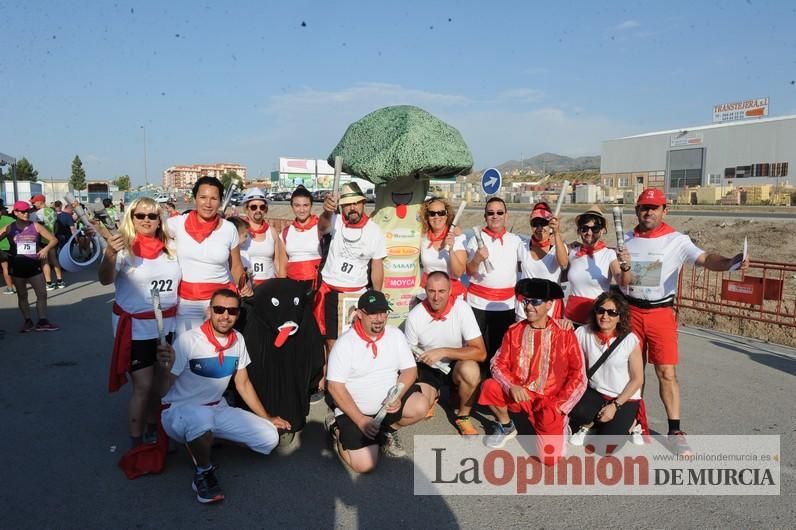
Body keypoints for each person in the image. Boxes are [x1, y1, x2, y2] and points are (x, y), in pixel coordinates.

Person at [620, 188, 748, 454]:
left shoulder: (677, 240)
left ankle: (675, 430)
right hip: (630, 311)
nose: (648, 212)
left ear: (664, 210)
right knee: (633, 373)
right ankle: (634, 422)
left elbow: (704, 259)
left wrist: (730, 262)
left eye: (654, 208)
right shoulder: (627, 238)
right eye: (644, 207)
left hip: (660, 314)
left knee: (666, 373)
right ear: (637, 210)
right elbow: (616, 273)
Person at [156, 289, 290, 503]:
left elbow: (243, 383)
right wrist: (164, 368)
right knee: (201, 419)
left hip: (217, 407)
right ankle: (203, 472)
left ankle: (204, 440)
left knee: (269, 438)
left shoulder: (238, 339)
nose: (225, 315)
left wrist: (267, 418)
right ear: (209, 311)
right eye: (219, 309)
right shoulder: (187, 341)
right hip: (178, 411)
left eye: (232, 311)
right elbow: (162, 392)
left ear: (238, 314)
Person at [98, 197, 181, 447]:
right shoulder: (123, 248)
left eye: (152, 216)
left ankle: (155, 427)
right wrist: (110, 253)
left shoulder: (172, 248)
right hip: (135, 329)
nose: (146, 220)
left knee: (162, 382)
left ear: (159, 220)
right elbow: (104, 279)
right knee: (143, 386)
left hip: (168, 326)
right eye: (140, 215)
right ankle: (136, 440)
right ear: (131, 218)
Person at [325, 290, 435, 473]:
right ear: (359, 314)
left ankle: (385, 431)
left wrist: (398, 395)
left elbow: (410, 370)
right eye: (373, 313)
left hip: (387, 406)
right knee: (365, 466)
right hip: (355, 411)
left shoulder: (395, 335)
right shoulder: (345, 344)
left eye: (383, 312)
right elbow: (334, 387)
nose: (379, 318)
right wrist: (360, 420)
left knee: (421, 405)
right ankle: (337, 430)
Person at [478, 278, 585, 464]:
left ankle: (560, 425)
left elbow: (579, 376)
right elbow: (497, 364)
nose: (528, 307)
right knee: (490, 386)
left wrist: (560, 406)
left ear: (549, 304)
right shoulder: (514, 331)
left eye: (535, 302)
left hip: (550, 402)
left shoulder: (565, 333)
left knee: (550, 459)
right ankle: (506, 425)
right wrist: (511, 386)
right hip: (522, 395)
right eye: (525, 301)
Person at [314, 182, 387, 390]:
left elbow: (377, 266)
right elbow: (321, 226)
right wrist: (327, 211)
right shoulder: (334, 221)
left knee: (357, 341)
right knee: (331, 343)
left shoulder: (374, 231)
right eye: (347, 204)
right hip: (331, 291)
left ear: (364, 203)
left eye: (356, 203)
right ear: (341, 207)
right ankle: (332, 384)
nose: (352, 208)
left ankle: (354, 382)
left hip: (357, 294)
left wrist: (377, 298)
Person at [166, 176, 252, 334]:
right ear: (194, 199)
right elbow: (147, 231)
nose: (208, 203)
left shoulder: (228, 229)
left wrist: (245, 287)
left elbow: (236, 266)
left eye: (214, 198)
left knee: (217, 352)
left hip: (221, 304)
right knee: (186, 351)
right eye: (203, 197)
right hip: (187, 304)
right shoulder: (177, 223)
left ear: (220, 201)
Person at [404, 271, 486, 436]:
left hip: (456, 362)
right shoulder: (414, 316)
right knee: (420, 407)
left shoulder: (462, 309)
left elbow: (481, 353)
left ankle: (463, 416)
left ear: (450, 291)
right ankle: (433, 396)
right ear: (425, 291)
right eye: (431, 291)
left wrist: (443, 351)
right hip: (428, 365)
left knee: (471, 370)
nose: (436, 297)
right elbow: (407, 358)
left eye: (441, 291)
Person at [568, 292, 644, 446]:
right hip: (595, 393)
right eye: (601, 310)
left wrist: (615, 406)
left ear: (620, 317)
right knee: (569, 406)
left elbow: (638, 379)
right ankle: (589, 425)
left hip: (623, 398)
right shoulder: (583, 332)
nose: (605, 316)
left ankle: (632, 423)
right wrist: (564, 325)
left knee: (606, 448)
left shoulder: (630, 340)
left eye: (612, 312)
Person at [465, 197, 523, 361]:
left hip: (506, 305)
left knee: (501, 353)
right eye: (490, 213)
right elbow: (469, 271)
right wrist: (477, 258)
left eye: (499, 212)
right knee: (478, 353)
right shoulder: (474, 240)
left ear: (506, 216)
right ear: (485, 217)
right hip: (478, 304)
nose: (495, 216)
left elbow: (530, 263)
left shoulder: (516, 241)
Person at [564, 206, 632, 325]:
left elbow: (622, 281)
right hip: (571, 319)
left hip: (596, 320)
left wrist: (625, 267)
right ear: (579, 230)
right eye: (584, 228)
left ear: (601, 231)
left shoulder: (609, 254)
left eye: (594, 229)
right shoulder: (572, 252)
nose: (589, 233)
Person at [0, 201, 60, 331]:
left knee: (42, 294)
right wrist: (2, 254)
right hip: (17, 266)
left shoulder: (36, 226)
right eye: (22, 211)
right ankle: (27, 321)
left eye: (27, 211)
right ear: (15, 212)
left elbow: (54, 239)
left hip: (33, 265)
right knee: (22, 295)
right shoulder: (10, 227)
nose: (26, 214)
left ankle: (42, 321)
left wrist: (45, 250)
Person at [516, 201, 568, 321]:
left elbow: (564, 263)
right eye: (535, 223)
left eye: (543, 223)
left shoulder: (558, 247)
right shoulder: (522, 246)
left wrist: (556, 233)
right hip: (525, 309)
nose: (539, 228)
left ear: (550, 224)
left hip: (549, 308)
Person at [418, 197, 467, 300]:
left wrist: (451, 250)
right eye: (432, 213)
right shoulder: (422, 238)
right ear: (427, 217)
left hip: (452, 295)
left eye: (441, 213)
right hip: (427, 295)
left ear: (447, 215)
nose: (436, 216)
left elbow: (459, 272)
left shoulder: (457, 237)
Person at [277, 185, 322, 289]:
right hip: (292, 286)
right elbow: (282, 267)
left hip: (317, 286)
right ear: (292, 206)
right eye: (297, 205)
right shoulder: (285, 233)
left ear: (311, 206)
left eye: (305, 205)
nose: (302, 210)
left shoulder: (320, 228)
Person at [239, 187, 282, 285]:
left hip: (270, 284)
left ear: (265, 209)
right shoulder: (239, 231)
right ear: (246, 209)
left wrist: (281, 283)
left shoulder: (272, 232)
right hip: (247, 286)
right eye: (253, 207)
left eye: (262, 207)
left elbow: (277, 261)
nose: (258, 210)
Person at [30, 194, 65, 290]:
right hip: (52, 239)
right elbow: (55, 226)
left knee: (44, 262)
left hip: (42, 240)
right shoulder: (53, 212)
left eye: (34, 202)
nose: (33, 204)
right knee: (54, 260)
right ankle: (60, 281)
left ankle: (49, 283)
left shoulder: (36, 214)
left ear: (40, 202)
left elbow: (32, 228)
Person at [0, 204, 16, 294]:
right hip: (11, 246)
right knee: (12, 267)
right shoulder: (9, 219)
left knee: (5, 268)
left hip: (1, 248)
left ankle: (10, 288)